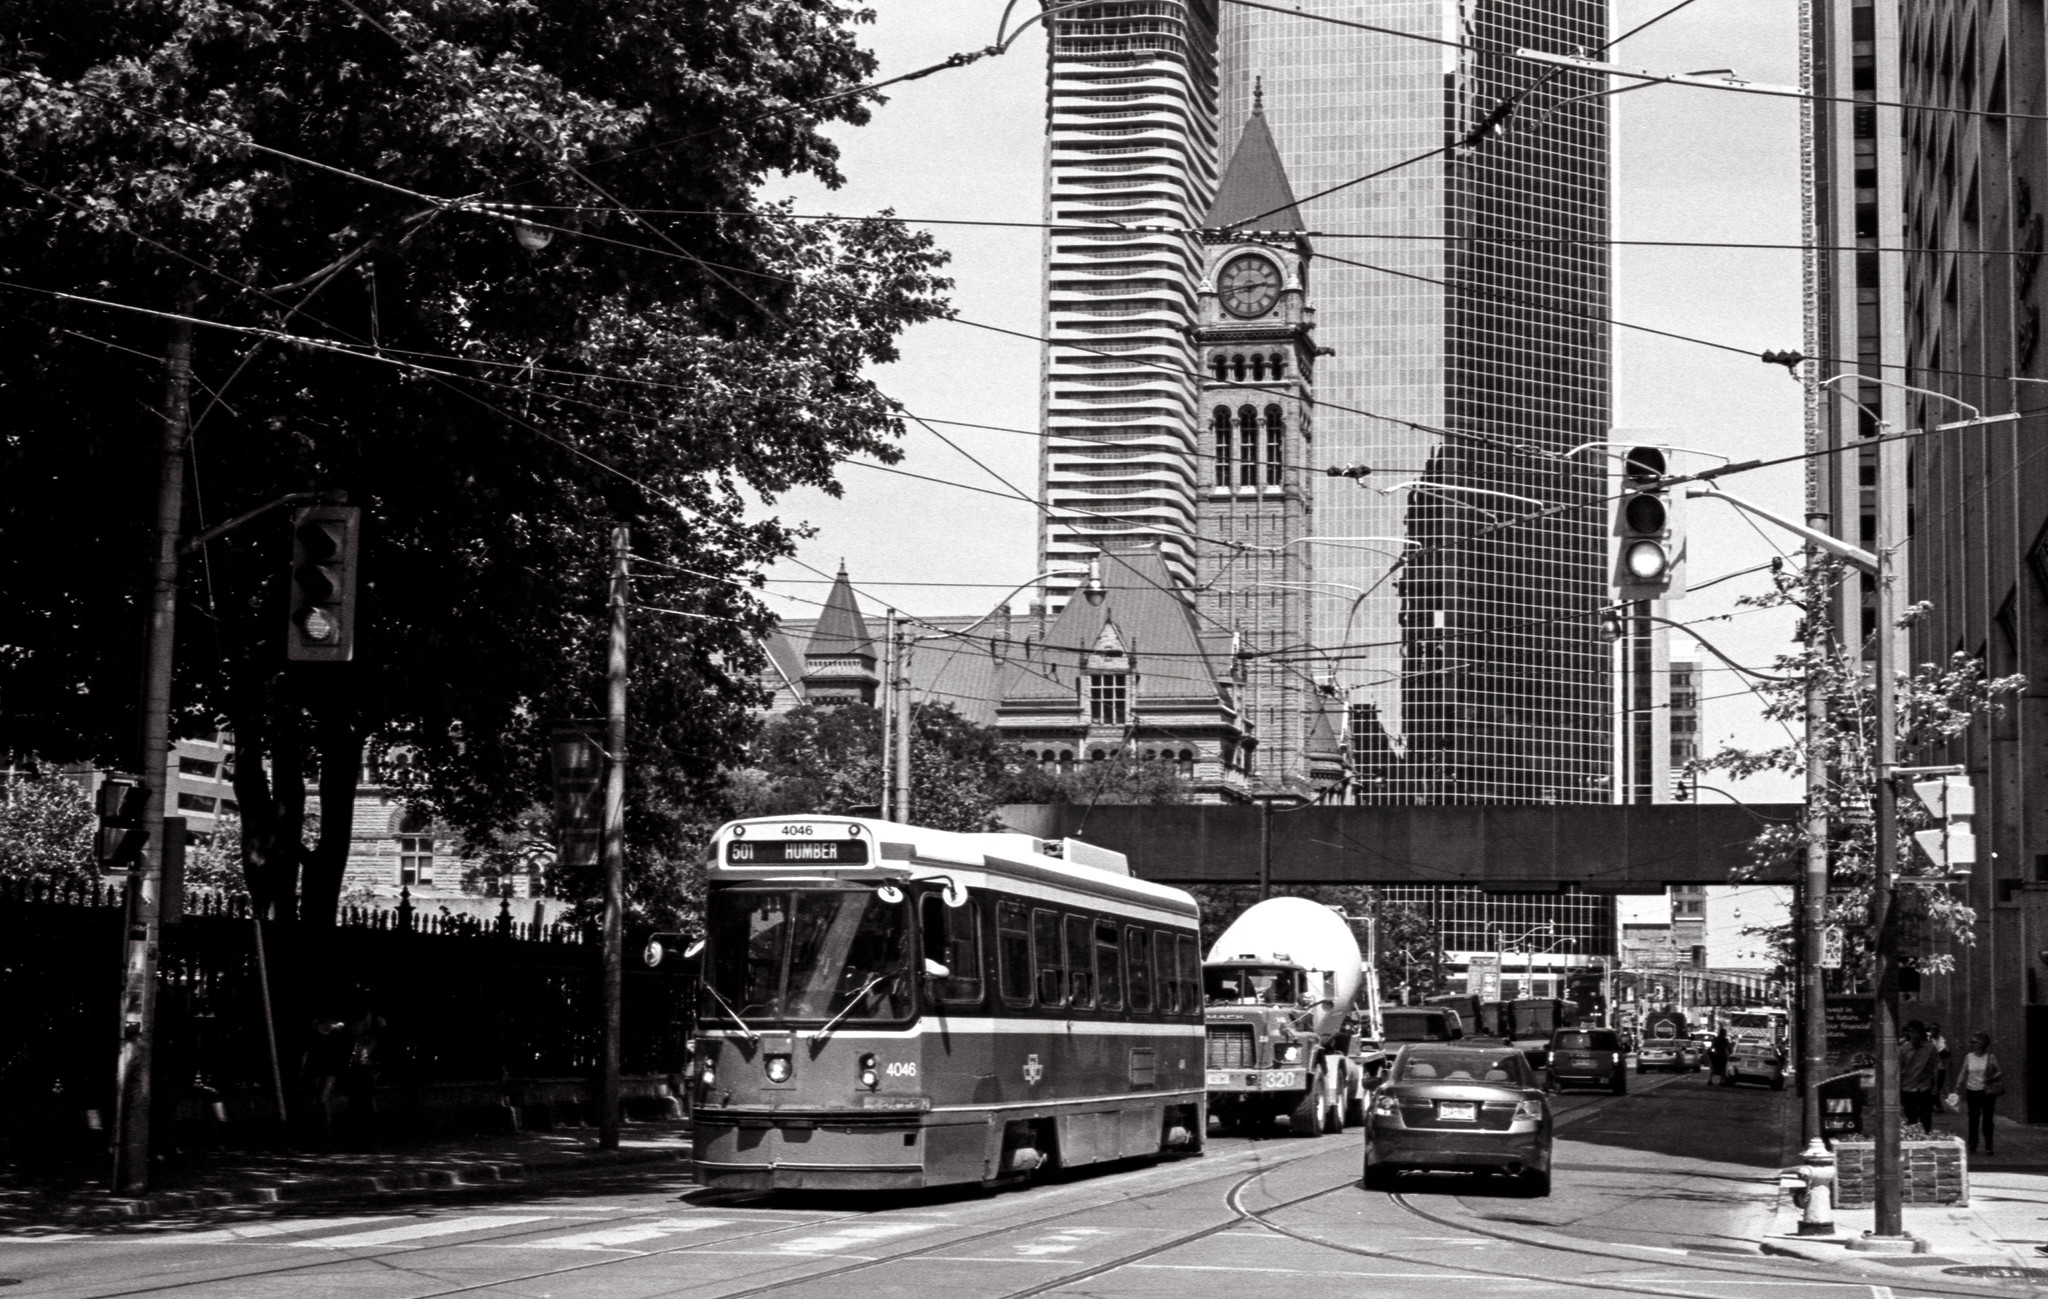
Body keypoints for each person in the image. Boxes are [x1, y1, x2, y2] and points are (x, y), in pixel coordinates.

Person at [1960, 1031, 2003, 1156]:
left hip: (1986, 1092)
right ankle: (1973, 1144)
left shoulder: (1990, 1057)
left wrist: (1991, 1078)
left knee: (1987, 1119)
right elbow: (1963, 1072)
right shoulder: (1969, 1057)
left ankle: (1989, 1145)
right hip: (1971, 1091)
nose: (1971, 1044)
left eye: (1974, 1042)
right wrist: (1958, 1086)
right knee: (1973, 1119)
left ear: (1982, 1043)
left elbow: (2000, 1071)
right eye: (1971, 1042)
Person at [1898, 1021, 1940, 1133]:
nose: (1914, 1035)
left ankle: (1925, 1138)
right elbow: (1898, 1068)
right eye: (1912, 1032)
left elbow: (1935, 1067)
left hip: (1923, 1088)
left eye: (1917, 1032)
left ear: (1921, 1033)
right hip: (1907, 1087)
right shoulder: (1904, 1049)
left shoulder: (1930, 1049)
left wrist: (1936, 1087)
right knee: (1911, 1118)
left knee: (1925, 1117)